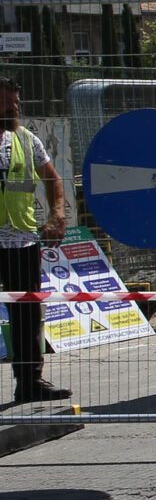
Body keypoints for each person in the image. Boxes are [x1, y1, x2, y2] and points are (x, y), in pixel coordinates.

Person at [0, 78, 71, 403]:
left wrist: (57, 215)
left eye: (16, 104)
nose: (13, 109)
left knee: (27, 313)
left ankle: (30, 380)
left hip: (22, 241)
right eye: (7, 103)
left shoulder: (27, 139)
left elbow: (53, 180)